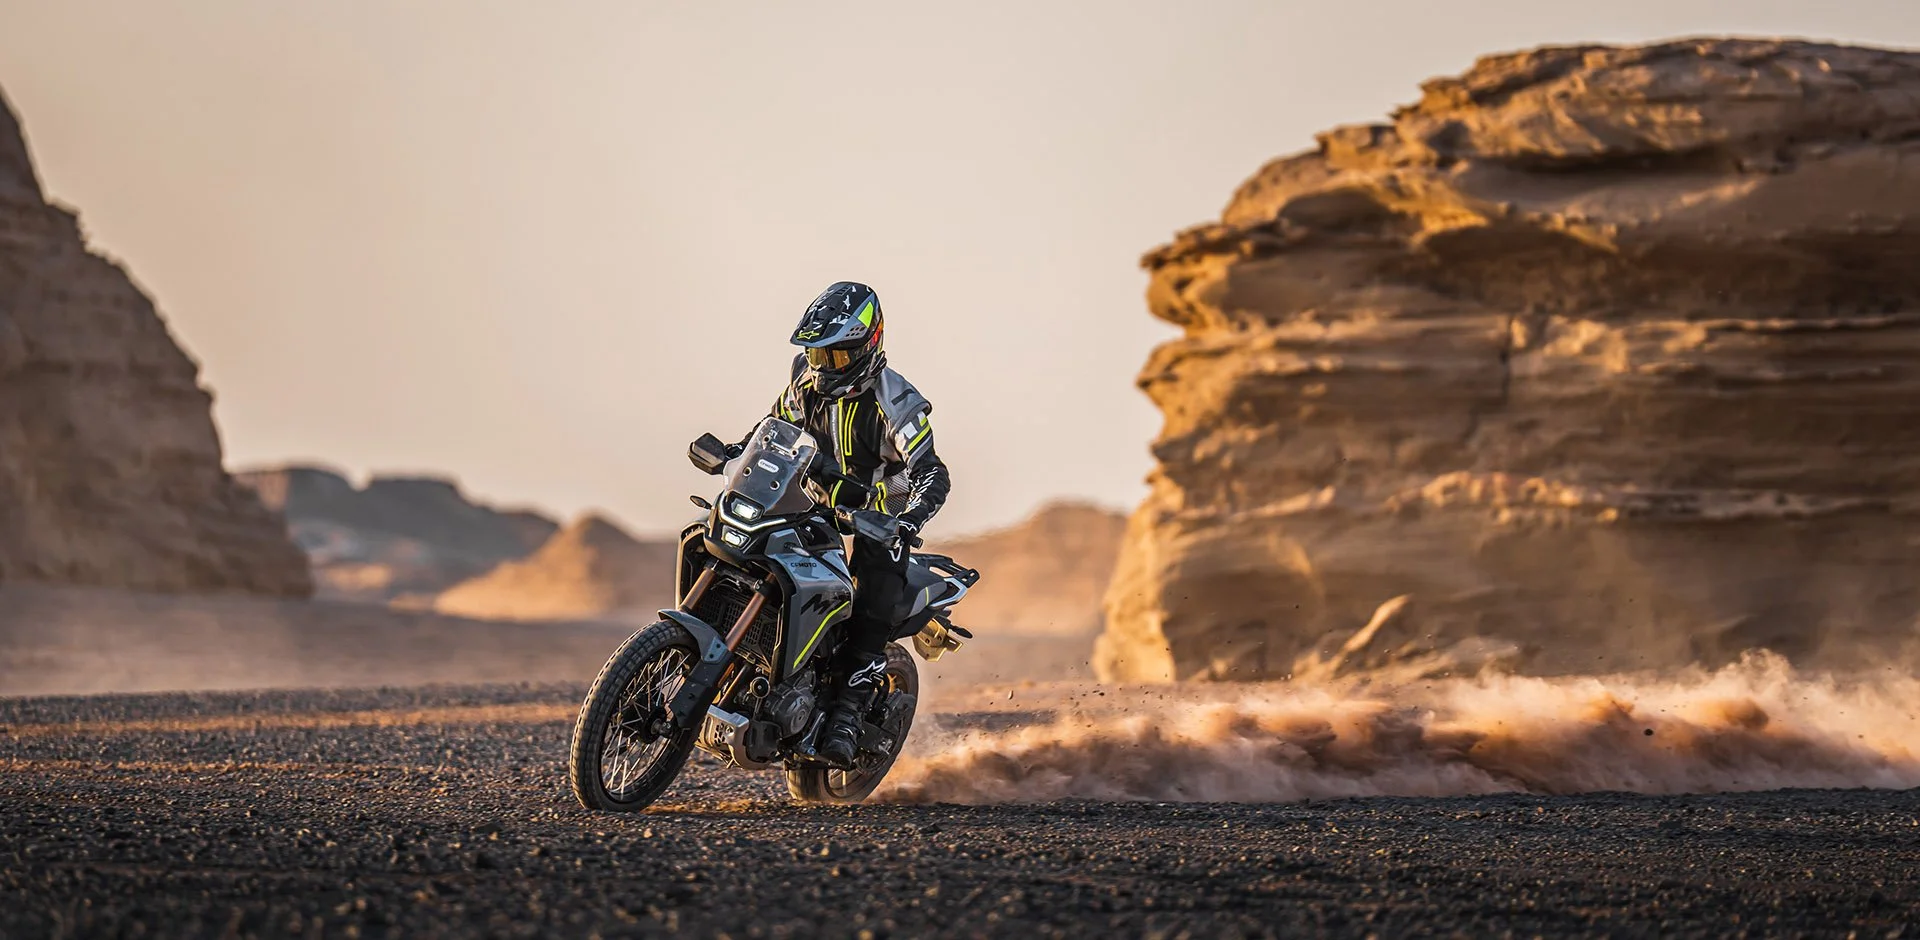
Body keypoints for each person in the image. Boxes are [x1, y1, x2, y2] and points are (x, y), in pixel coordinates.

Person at [753, 281, 950, 767]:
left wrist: (906, 522)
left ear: (868, 344)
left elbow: (932, 473)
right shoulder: (805, 380)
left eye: (836, 357)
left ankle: (844, 715)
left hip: (877, 519)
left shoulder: (898, 402)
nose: (824, 368)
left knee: (871, 599)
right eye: (817, 356)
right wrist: (740, 454)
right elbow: (775, 426)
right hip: (812, 502)